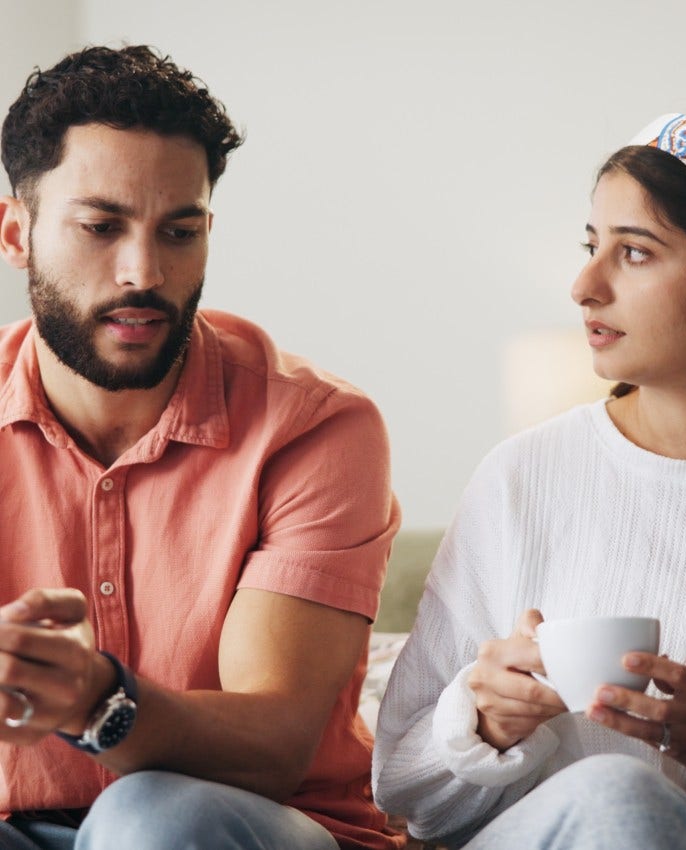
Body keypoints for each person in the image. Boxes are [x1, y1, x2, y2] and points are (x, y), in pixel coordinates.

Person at [373, 112, 686, 850]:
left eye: (634, 252)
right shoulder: (522, 477)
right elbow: (403, 793)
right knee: (611, 792)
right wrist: (485, 720)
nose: (584, 286)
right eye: (592, 245)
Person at [0, 44, 403, 850]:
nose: (142, 272)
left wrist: (93, 699)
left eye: (179, 231)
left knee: (151, 816)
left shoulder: (314, 428)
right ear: (17, 234)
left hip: (235, 824)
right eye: (100, 227)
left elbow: (271, 746)